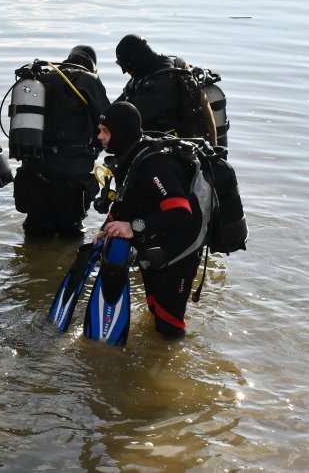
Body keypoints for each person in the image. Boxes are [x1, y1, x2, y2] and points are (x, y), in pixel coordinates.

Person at [93, 101, 203, 338]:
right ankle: (153, 361)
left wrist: (133, 228)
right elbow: (126, 202)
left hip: (181, 247)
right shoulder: (131, 157)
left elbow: (180, 214)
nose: (100, 136)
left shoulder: (154, 165)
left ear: (120, 132)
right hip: (156, 242)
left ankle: (171, 366)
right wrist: (105, 230)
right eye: (100, 130)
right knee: (154, 308)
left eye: (106, 131)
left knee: (169, 324)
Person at [11, 45, 110, 236]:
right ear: (92, 65)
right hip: (70, 176)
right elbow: (108, 120)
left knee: (36, 233)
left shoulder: (39, 80)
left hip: (33, 172)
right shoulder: (87, 80)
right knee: (70, 235)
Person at [114, 34, 215, 141]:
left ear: (139, 59)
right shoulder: (145, 74)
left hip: (175, 149)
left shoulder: (164, 82)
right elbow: (117, 105)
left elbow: (131, 117)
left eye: (127, 66)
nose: (124, 71)